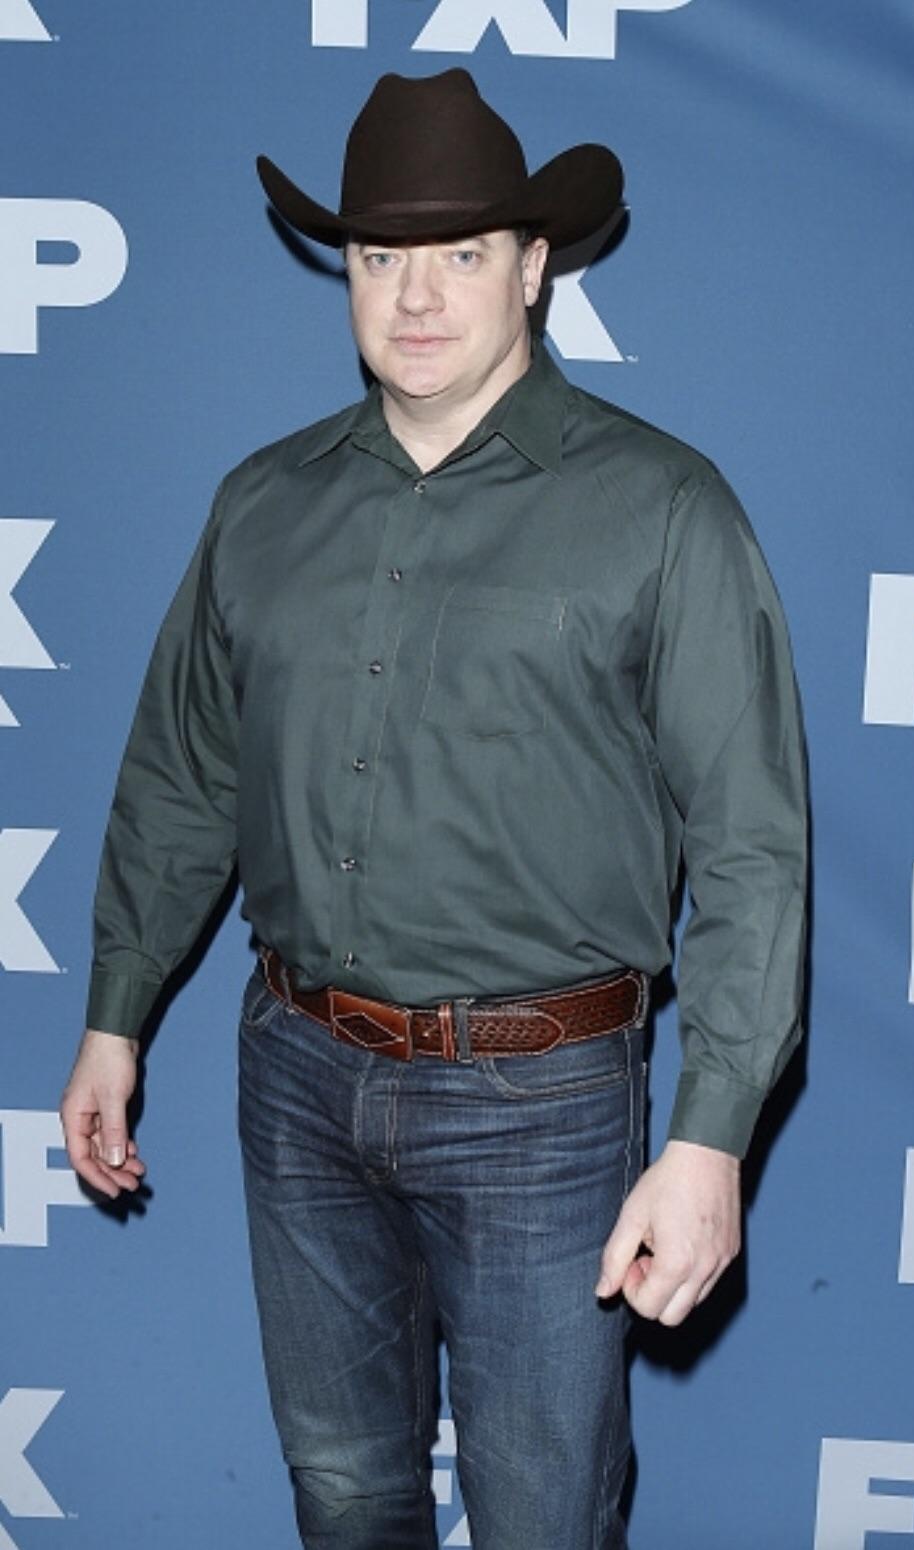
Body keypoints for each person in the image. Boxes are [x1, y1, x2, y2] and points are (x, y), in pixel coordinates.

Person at [61, 68, 808, 1550]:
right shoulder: (261, 505)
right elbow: (183, 774)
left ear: (533, 266)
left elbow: (750, 847)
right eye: (378, 256)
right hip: (295, 1076)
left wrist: (711, 1135)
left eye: (459, 253)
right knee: (343, 1494)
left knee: (543, 1519)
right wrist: (115, 1014)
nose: (413, 297)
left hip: (542, 1104)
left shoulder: (665, 510)